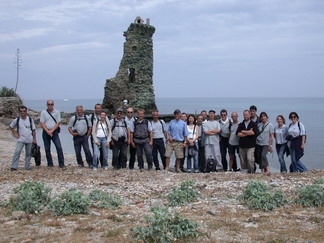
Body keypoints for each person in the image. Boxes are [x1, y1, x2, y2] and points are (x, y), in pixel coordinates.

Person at [9, 105, 37, 171]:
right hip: (21, 139)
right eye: (21, 111)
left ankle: (27, 166)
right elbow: (11, 126)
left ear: (26, 111)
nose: (22, 112)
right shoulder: (17, 120)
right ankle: (14, 166)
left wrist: (35, 139)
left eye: (24, 111)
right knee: (17, 152)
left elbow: (33, 130)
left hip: (29, 139)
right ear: (19, 112)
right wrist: (15, 134)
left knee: (28, 153)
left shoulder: (30, 120)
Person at [40, 100, 65, 168]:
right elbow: (42, 123)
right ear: (47, 105)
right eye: (49, 104)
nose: (50, 105)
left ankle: (61, 163)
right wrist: (48, 131)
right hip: (45, 132)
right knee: (47, 148)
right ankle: (50, 163)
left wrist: (51, 131)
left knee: (59, 147)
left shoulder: (56, 112)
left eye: (51, 104)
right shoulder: (43, 112)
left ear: (53, 105)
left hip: (54, 132)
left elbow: (58, 122)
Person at [89, 104, 108, 168]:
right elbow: (89, 126)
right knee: (95, 152)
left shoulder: (105, 116)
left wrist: (108, 138)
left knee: (103, 152)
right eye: (97, 108)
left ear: (101, 109)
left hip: (103, 137)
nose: (98, 109)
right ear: (95, 109)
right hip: (94, 136)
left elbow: (108, 127)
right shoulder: (91, 116)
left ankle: (103, 164)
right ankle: (95, 164)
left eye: (99, 108)